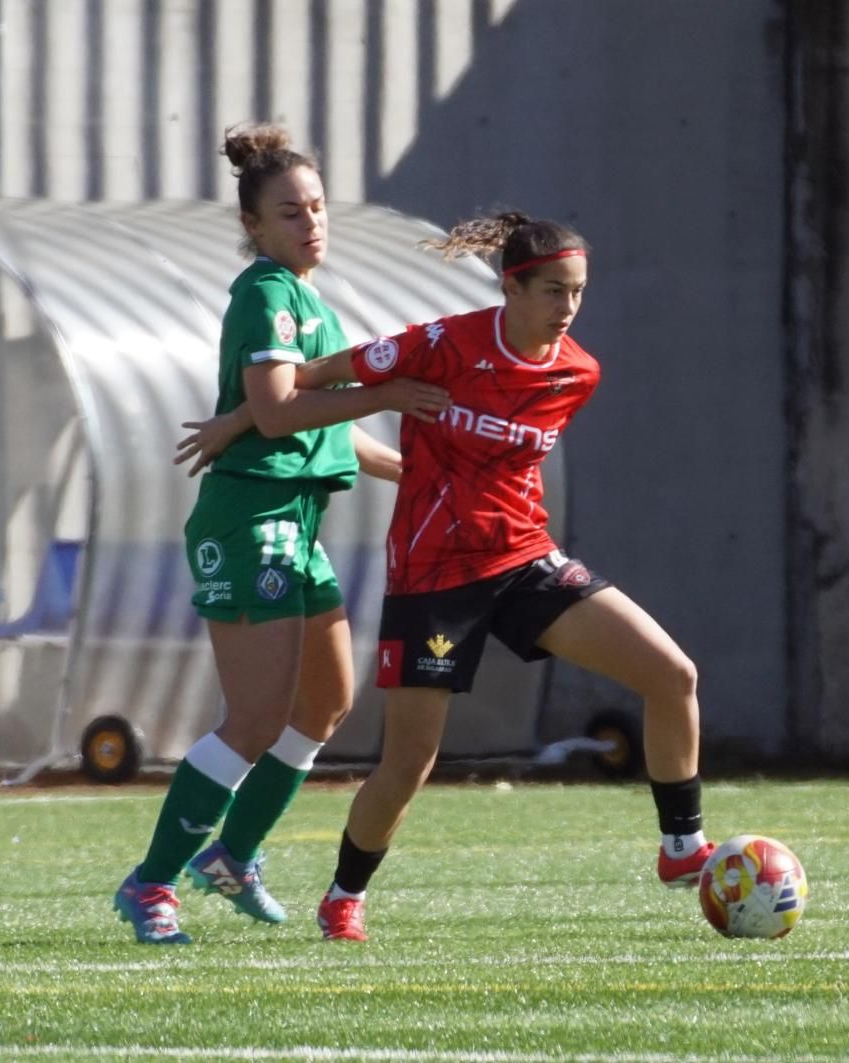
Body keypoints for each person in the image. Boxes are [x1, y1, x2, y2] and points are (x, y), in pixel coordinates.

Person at [243, 210, 715, 941]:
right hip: (433, 578)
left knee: (672, 673)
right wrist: (239, 417)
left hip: (525, 560)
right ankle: (343, 895)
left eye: (578, 292)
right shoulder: (443, 344)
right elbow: (308, 383)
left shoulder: (577, 372)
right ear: (511, 288)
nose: (567, 309)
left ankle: (682, 849)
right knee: (409, 761)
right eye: (553, 291)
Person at [113, 123, 450, 945]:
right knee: (254, 719)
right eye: (290, 213)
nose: (311, 224)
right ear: (255, 227)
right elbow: (277, 409)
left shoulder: (309, 300)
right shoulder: (264, 293)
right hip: (252, 520)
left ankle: (232, 855)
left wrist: (416, 471)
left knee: (326, 703)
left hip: (295, 523)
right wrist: (386, 392)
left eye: (318, 208)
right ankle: (151, 882)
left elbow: (317, 428)